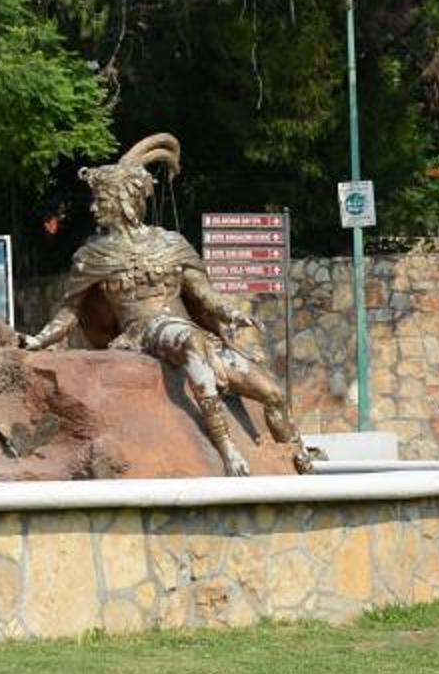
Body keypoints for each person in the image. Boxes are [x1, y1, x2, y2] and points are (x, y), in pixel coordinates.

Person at [23, 133, 307, 475]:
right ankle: (227, 448)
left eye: (102, 200)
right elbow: (70, 311)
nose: (94, 208)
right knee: (189, 340)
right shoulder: (92, 256)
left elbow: (204, 294)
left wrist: (231, 313)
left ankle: (301, 460)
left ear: (127, 201)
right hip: (145, 333)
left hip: (197, 336)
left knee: (273, 394)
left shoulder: (171, 243)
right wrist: (38, 340)